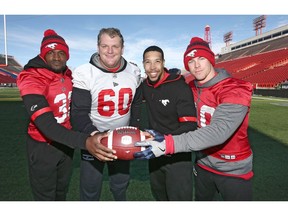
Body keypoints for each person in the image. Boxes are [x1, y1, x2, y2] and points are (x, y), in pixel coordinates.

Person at [134, 37, 254, 201]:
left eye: (201, 58)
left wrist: (168, 143)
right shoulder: (189, 87)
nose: (196, 65)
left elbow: (218, 132)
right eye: (191, 61)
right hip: (202, 163)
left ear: (211, 59)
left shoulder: (235, 88)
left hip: (233, 169)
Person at [16, 29, 116, 201]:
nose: (56, 57)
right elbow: (47, 126)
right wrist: (85, 141)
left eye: (61, 52)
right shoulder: (31, 77)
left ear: (67, 55)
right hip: (43, 147)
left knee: (61, 191)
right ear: (43, 55)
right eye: (51, 53)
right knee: (45, 197)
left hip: (66, 144)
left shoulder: (69, 75)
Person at [70, 27, 142, 201]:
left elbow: (138, 104)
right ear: (98, 47)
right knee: (90, 189)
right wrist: (95, 136)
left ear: (122, 48)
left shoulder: (134, 71)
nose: (110, 51)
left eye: (115, 46)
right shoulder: (84, 72)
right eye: (105, 46)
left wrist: (135, 129)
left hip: (123, 139)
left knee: (120, 186)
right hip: (94, 138)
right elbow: (78, 113)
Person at [135, 45, 197, 201]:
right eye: (147, 62)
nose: (152, 67)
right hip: (156, 156)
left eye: (157, 61)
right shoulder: (145, 86)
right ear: (143, 64)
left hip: (178, 156)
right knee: (160, 197)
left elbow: (190, 126)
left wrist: (163, 141)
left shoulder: (179, 86)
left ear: (163, 62)